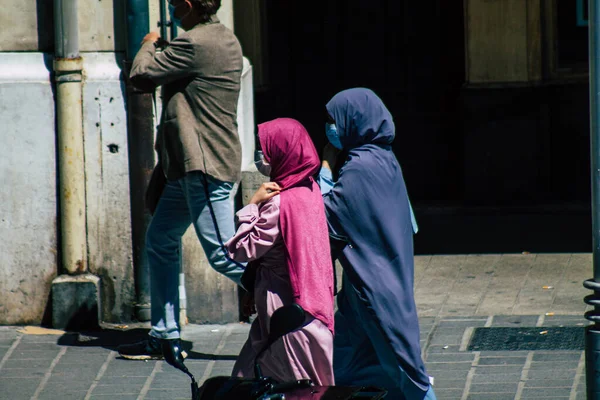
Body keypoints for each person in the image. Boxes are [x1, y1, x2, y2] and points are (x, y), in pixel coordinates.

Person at [118, 0, 246, 364]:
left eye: (175, 4)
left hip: (204, 165)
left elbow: (141, 76)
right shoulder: (224, 39)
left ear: (188, 6)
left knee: (223, 254)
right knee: (161, 238)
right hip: (186, 166)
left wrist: (149, 41)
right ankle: (163, 334)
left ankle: (296, 305)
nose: (173, 9)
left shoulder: (195, 43)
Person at [319, 88, 436, 399]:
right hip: (365, 289)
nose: (330, 127)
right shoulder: (384, 159)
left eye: (333, 120)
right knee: (346, 366)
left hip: (374, 292)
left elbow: (325, 217)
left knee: (407, 376)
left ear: (352, 121)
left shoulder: (360, 169)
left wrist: (326, 165)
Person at [226, 118, 335, 386]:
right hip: (310, 302)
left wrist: (252, 205)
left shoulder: (278, 202)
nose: (262, 156)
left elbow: (242, 249)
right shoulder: (310, 189)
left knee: (285, 381)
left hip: (281, 302)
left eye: (267, 149)